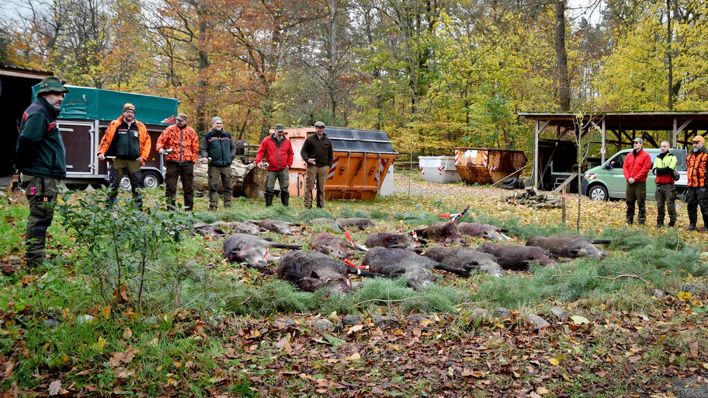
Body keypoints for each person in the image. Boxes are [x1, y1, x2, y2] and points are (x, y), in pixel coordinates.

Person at [14, 77, 68, 266]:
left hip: (44, 175)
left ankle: (36, 257)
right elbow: (27, 141)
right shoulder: (39, 113)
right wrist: (26, 167)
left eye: (62, 94)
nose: (60, 98)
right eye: (56, 94)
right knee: (40, 217)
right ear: (44, 94)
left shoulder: (43, 111)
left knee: (43, 216)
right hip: (41, 177)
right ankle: (35, 262)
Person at [98, 103, 151, 208]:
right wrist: (101, 152)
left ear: (134, 114)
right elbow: (106, 140)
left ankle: (138, 209)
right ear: (123, 112)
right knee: (113, 185)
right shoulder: (115, 124)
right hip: (118, 160)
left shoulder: (140, 126)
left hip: (134, 161)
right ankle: (108, 208)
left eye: (132, 112)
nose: (130, 114)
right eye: (128, 111)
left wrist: (143, 157)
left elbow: (147, 142)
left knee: (137, 186)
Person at [156, 112, 200, 211]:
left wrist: (193, 160)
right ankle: (170, 208)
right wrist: (160, 149)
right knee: (170, 186)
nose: (178, 122)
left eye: (181, 120)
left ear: (186, 121)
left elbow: (195, 147)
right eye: (177, 120)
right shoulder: (170, 129)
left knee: (188, 187)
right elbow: (160, 141)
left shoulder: (191, 131)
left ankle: (188, 209)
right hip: (172, 162)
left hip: (187, 163)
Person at [201, 116, 236, 210]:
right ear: (212, 124)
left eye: (220, 123)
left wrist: (231, 157)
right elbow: (204, 149)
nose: (219, 125)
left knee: (228, 186)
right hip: (214, 165)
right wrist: (205, 157)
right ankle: (213, 206)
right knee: (213, 186)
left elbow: (233, 147)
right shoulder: (208, 136)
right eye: (217, 123)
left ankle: (228, 207)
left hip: (226, 165)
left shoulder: (228, 135)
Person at [254, 123, 294, 206]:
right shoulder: (266, 140)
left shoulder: (287, 142)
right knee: (269, 188)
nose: (280, 133)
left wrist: (289, 164)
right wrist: (258, 162)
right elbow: (260, 152)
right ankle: (268, 207)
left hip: (283, 168)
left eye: (282, 131)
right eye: (279, 131)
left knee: (285, 188)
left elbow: (290, 153)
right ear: (274, 130)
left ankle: (285, 207)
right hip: (271, 168)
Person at [301, 121, 333, 209]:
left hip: (323, 167)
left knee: (321, 188)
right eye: (319, 128)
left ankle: (320, 207)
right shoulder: (309, 139)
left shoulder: (327, 140)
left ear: (324, 129)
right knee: (309, 187)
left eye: (322, 128)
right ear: (315, 128)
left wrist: (328, 166)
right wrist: (307, 160)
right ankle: (307, 207)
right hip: (312, 166)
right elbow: (303, 151)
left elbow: (331, 154)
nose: (321, 129)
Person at [622, 137, 652, 225]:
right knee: (629, 202)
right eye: (634, 142)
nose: (635, 144)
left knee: (641, 202)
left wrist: (635, 178)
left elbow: (645, 170)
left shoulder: (646, 156)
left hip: (640, 183)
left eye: (637, 142)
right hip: (630, 183)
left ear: (641, 144)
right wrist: (628, 178)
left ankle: (641, 221)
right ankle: (629, 220)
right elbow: (625, 167)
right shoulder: (629, 155)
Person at [651, 141, 678, 227]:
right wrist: (662, 170)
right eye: (661, 146)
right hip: (659, 186)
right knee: (660, 205)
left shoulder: (673, 157)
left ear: (668, 147)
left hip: (669, 186)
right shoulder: (657, 158)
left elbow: (670, 169)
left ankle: (672, 222)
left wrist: (659, 170)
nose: (662, 148)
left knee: (670, 205)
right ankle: (660, 222)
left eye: (664, 146)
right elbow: (654, 171)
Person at [685, 135, 708, 231]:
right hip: (691, 186)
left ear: (702, 143)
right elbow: (689, 169)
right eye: (693, 142)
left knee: (704, 207)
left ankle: (707, 226)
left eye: (697, 142)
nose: (694, 144)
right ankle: (692, 224)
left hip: (703, 186)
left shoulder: (706, 155)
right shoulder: (689, 155)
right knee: (691, 206)